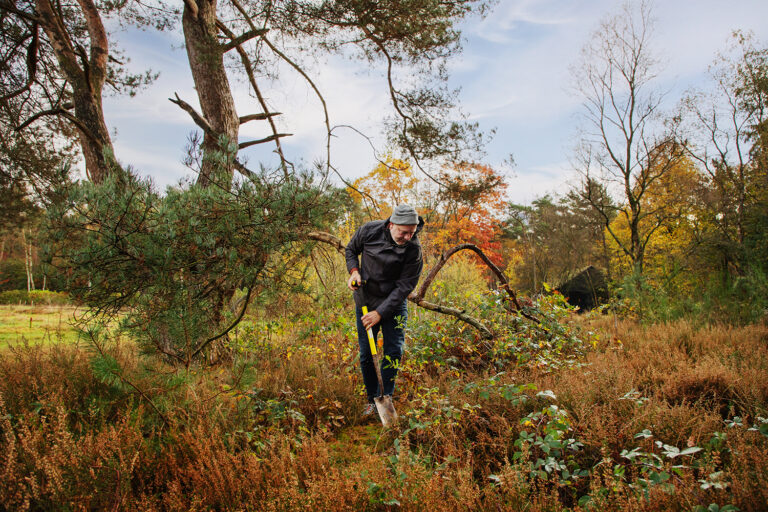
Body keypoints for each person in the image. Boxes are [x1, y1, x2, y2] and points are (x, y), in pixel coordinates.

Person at [345, 204, 424, 418]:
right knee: (366, 354)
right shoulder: (369, 231)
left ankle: (386, 397)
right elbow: (351, 250)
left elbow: (405, 287)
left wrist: (380, 313)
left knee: (393, 351)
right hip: (366, 301)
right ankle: (372, 400)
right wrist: (354, 272)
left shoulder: (414, 249)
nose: (408, 237)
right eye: (403, 232)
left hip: (394, 305)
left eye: (412, 232)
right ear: (391, 224)